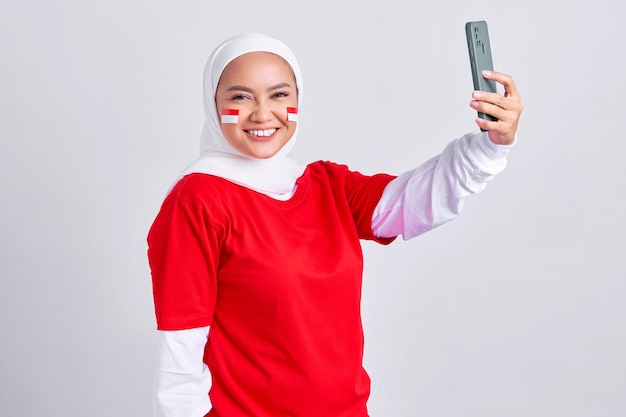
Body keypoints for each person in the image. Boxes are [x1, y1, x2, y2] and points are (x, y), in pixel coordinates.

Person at [147, 32, 523, 417]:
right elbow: (182, 344)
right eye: (240, 97)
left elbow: (415, 200)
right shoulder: (197, 200)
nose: (262, 113)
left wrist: (491, 144)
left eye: (279, 95)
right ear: (213, 103)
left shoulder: (327, 186)